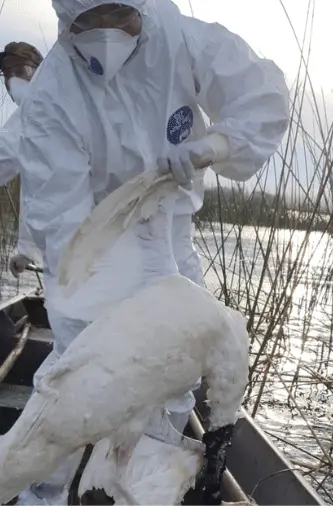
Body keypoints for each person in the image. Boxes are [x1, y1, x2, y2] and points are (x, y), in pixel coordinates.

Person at [15, 1, 289, 503]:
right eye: (90, 21)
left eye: (120, 14)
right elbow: (66, 231)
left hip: (171, 235)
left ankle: (143, 483)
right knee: (76, 373)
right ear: (67, 19)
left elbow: (262, 100)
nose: (107, 33)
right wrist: (98, 352)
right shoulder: (52, 95)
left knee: (176, 376)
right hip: (99, 240)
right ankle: (44, 489)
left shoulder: (184, 41)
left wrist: (218, 145)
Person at [0, 41, 44, 276]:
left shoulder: (39, 110)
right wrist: (28, 251)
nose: (12, 80)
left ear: (40, 70)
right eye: (7, 74)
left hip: (92, 249)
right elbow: (37, 188)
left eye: (20, 70)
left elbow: (3, 153)